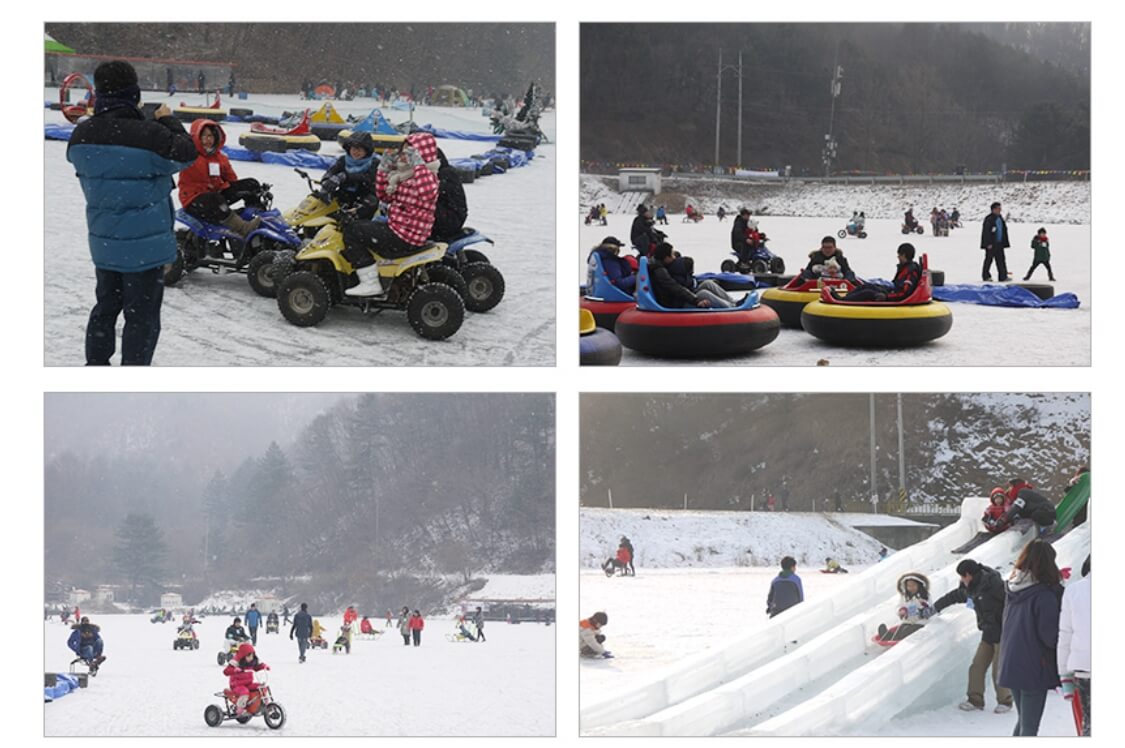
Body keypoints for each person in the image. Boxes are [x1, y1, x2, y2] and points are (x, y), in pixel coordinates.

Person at [67, 60, 196, 366]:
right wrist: (168, 121)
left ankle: (95, 366)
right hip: (145, 249)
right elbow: (187, 152)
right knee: (142, 318)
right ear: (134, 94)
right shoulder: (150, 136)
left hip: (104, 243)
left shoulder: (81, 138)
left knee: (105, 307)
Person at [342, 132, 441, 297]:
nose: (403, 156)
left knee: (352, 231)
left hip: (405, 235)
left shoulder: (428, 176)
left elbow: (428, 192)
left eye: (409, 152)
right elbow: (384, 196)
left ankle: (370, 282)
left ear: (421, 155)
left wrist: (418, 164)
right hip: (398, 228)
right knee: (360, 223)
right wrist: (384, 168)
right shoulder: (404, 176)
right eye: (404, 152)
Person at [998, 539, 1064, 736]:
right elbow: (1049, 636)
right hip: (1035, 666)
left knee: (1024, 722)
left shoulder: (1013, 588)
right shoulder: (1043, 595)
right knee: (1030, 726)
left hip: (1012, 662)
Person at [933, 559, 1013, 713]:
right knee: (977, 666)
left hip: (1003, 633)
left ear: (969, 574)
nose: (962, 580)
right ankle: (975, 700)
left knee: (999, 669)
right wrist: (935, 607)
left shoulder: (994, 585)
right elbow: (954, 596)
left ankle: (1005, 701)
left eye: (963, 577)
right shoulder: (971, 588)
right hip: (988, 633)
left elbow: (1012, 603)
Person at [1057, 555, 1090, 735]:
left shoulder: (1073, 591)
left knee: (1089, 725)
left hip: (1084, 669)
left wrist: (1064, 675)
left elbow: (1065, 636)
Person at [650, 242, 737, 309]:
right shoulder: (660, 272)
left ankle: (733, 302)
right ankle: (731, 308)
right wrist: (695, 300)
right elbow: (676, 288)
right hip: (676, 303)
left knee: (707, 283)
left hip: (679, 298)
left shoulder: (664, 266)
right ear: (666, 258)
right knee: (702, 294)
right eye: (672, 255)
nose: (674, 258)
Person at [316, 131, 379, 219]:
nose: (355, 152)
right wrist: (326, 182)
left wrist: (345, 176)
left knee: (370, 202)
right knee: (319, 199)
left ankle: (354, 224)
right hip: (345, 195)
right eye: (353, 149)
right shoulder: (343, 160)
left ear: (367, 151)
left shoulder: (374, 163)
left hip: (364, 197)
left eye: (359, 149)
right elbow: (331, 172)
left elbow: (367, 178)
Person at [840, 243, 921, 302]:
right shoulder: (904, 268)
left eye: (899, 255)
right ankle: (844, 298)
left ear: (904, 255)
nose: (898, 257)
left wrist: (886, 296)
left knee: (868, 292)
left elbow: (904, 293)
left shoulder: (910, 272)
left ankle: (843, 301)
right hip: (892, 292)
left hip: (893, 296)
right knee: (867, 286)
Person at [875, 572, 934, 642]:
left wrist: (924, 605)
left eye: (914, 585)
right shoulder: (905, 597)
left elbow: (930, 607)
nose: (911, 588)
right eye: (909, 586)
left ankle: (893, 638)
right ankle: (889, 636)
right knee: (901, 629)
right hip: (908, 621)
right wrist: (901, 611)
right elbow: (899, 606)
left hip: (920, 622)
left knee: (908, 631)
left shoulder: (925, 595)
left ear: (919, 585)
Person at [431, 147, 469, 241]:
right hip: (445, 214)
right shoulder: (441, 172)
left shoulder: (446, 174)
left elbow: (428, 194)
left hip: (451, 219)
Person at [223, 642, 269, 717]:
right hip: (237, 685)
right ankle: (240, 708)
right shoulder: (236, 663)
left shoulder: (251, 662)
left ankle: (265, 702)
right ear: (243, 656)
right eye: (249, 656)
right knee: (244, 692)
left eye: (252, 656)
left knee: (261, 687)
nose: (251, 658)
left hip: (248, 683)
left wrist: (264, 666)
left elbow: (257, 667)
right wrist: (235, 670)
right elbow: (226, 671)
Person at [981, 201, 1012, 282]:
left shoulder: (1000, 218)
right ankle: (986, 276)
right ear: (993, 209)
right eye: (998, 209)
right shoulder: (989, 219)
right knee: (988, 260)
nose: (1000, 210)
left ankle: (1003, 276)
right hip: (991, 244)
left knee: (1001, 260)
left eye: (1000, 208)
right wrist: (988, 243)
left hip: (999, 243)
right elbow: (986, 232)